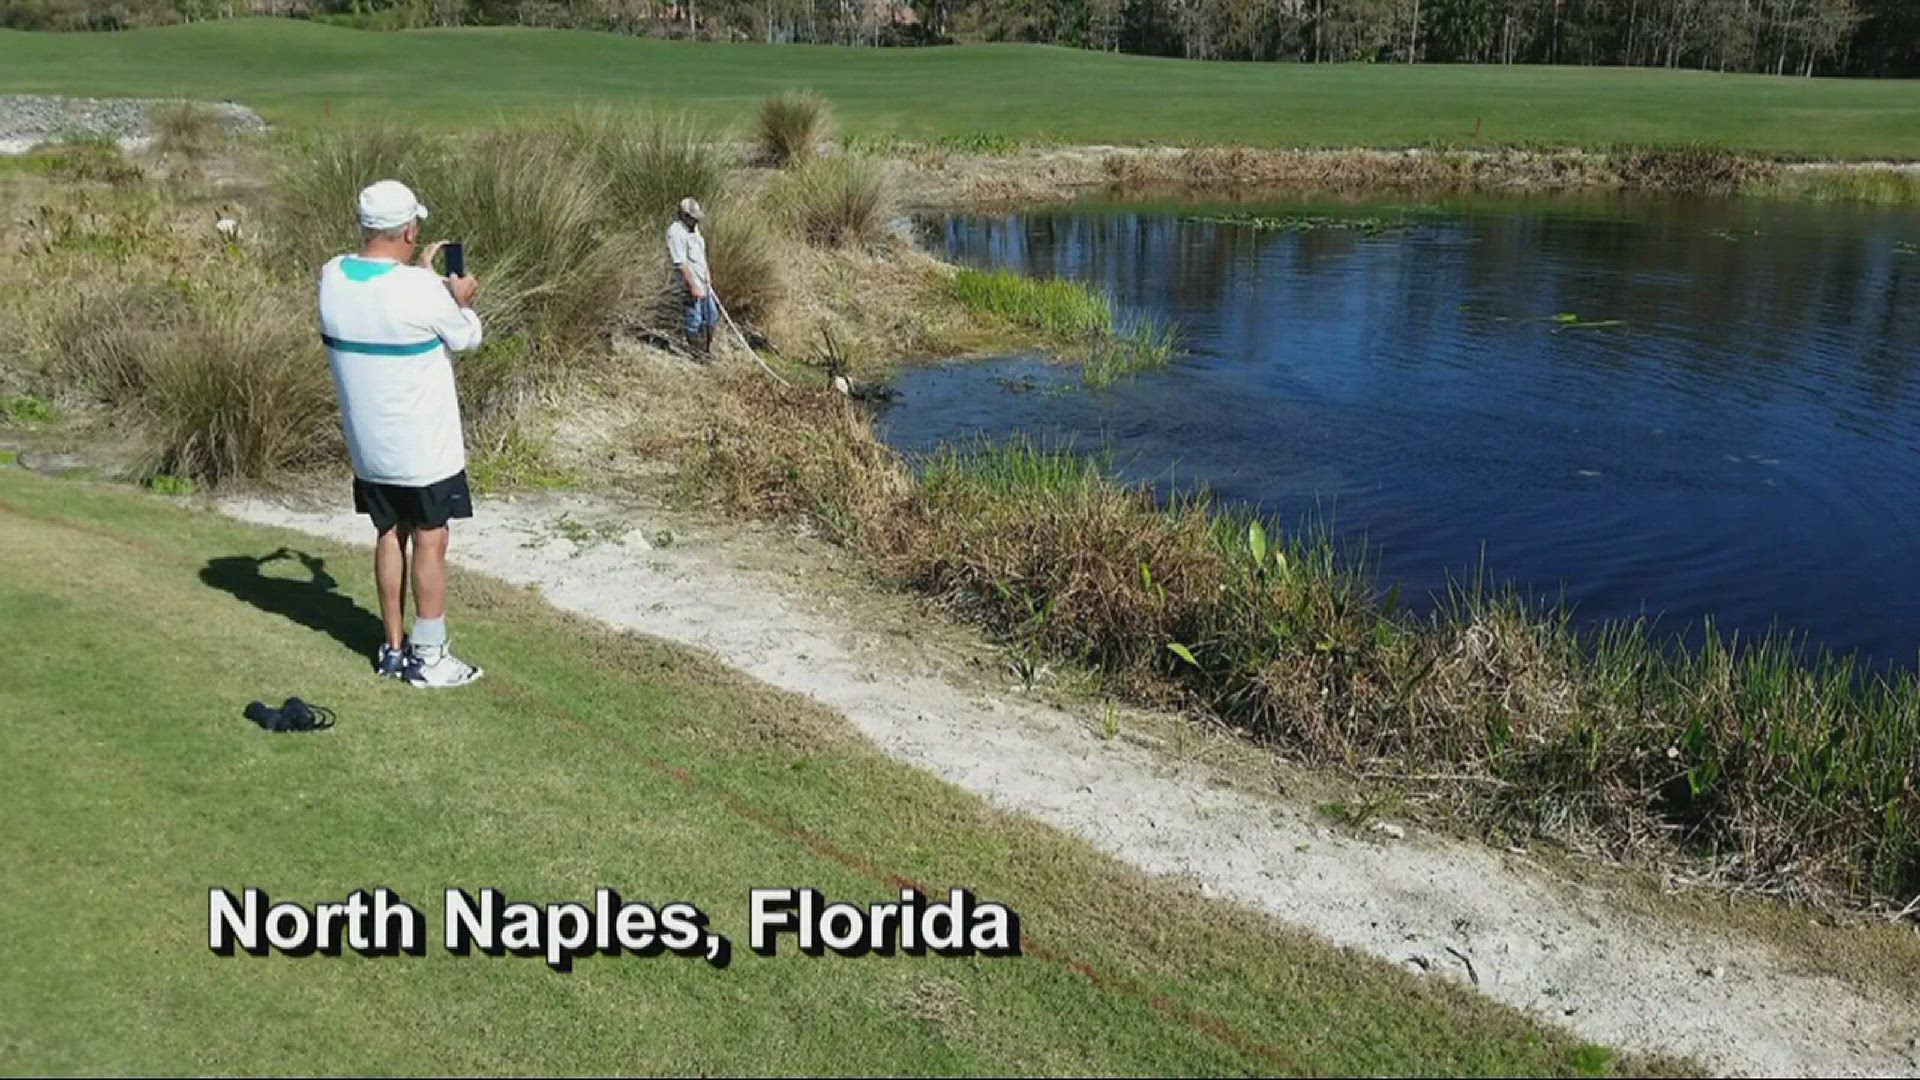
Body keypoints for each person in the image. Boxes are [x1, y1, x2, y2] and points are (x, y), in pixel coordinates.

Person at [317, 179, 485, 689]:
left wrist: (427, 281)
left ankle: (393, 647)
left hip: (370, 449)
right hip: (423, 450)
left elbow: (387, 292)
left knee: (389, 534)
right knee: (431, 541)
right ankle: (430, 657)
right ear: (410, 230)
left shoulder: (331, 277)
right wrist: (459, 297)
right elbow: (468, 336)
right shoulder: (418, 290)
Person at [667, 196, 718, 356]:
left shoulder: (694, 229)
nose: (695, 221)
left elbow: (700, 256)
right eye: (692, 218)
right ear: (684, 215)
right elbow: (680, 263)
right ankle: (696, 352)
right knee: (694, 319)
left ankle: (706, 349)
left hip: (703, 282)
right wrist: (693, 286)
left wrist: (707, 275)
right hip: (689, 284)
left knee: (711, 316)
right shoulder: (676, 232)